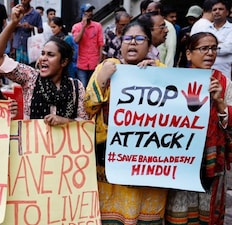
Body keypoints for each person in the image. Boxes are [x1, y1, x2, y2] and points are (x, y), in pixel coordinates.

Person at [84, 20, 168, 224]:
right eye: (128, 39)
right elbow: (88, 107)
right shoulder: (107, 66)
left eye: (140, 39)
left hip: (147, 162)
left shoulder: (161, 69)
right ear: (120, 43)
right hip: (110, 160)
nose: (133, 43)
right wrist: (102, 80)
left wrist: (157, 75)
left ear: (149, 45)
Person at [165, 32, 232, 225]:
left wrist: (219, 103)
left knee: (208, 212)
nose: (210, 53)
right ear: (188, 54)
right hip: (179, 160)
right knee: (180, 208)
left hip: (211, 159)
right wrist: (147, 70)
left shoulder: (223, 82)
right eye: (204, 48)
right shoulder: (174, 79)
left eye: (214, 48)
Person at [0, 4, 88, 125]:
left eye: (50, 55)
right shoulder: (30, 77)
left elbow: (84, 124)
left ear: (64, 62)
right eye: (42, 54)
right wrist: (13, 24)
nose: (43, 59)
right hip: (32, 143)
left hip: (64, 144)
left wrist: (65, 121)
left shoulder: (76, 87)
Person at [72, 3, 104, 88]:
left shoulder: (97, 26)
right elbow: (76, 40)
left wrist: (99, 61)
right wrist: (83, 27)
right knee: (83, 86)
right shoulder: (76, 27)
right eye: (87, 11)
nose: (90, 13)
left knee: (93, 87)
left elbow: (101, 44)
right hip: (82, 63)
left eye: (91, 11)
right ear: (83, 13)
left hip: (94, 62)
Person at [202, 0, 232, 78]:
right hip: (206, 73)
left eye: (220, 9)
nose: (217, 12)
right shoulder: (206, 29)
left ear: (227, 12)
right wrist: (219, 43)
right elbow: (201, 48)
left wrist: (208, 47)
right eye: (214, 10)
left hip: (225, 74)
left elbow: (227, 49)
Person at [10, 0, 43, 65]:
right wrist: (16, 25)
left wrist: (31, 27)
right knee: (17, 67)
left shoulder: (36, 14)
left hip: (30, 47)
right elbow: (11, 30)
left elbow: (41, 30)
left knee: (30, 67)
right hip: (17, 46)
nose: (23, 1)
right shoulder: (17, 12)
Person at [147, 1, 177, 67]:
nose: (166, 30)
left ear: (158, 10)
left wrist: (166, 71)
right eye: (162, 27)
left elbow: (170, 52)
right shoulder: (145, 53)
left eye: (150, 10)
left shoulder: (169, 26)